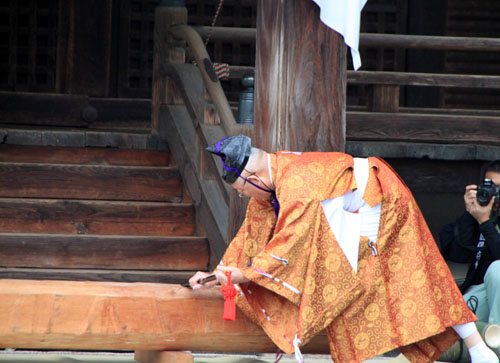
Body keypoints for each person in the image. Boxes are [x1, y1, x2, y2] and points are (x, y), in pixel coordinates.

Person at [189, 134, 499, 363]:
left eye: (242, 189)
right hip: (354, 210)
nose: (244, 196)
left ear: (253, 176)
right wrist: (220, 273)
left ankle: (477, 347)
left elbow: (287, 244)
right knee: (354, 285)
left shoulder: (297, 184)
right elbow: (251, 236)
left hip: (381, 201)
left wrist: (243, 275)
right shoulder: (275, 173)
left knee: (408, 277)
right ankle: (476, 348)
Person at [440, 161, 500, 326]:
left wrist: (485, 223)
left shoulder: (485, 221)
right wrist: (470, 213)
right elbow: (458, 254)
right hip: (481, 291)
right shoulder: (481, 216)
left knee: (498, 270)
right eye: (490, 187)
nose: (494, 194)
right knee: (450, 325)